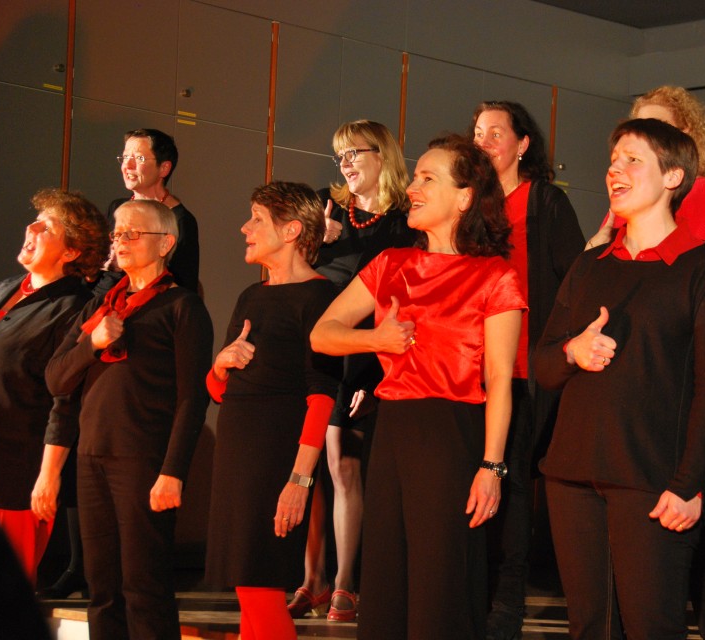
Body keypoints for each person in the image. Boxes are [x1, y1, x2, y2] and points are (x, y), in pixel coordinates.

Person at [311, 133, 525, 640]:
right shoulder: (391, 264)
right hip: (392, 429)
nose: (412, 188)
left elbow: (499, 379)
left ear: (465, 196)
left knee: (441, 578)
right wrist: (376, 339)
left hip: (453, 434)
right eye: (414, 178)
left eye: (428, 178)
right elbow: (322, 334)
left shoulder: (495, 277)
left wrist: (492, 467)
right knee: (386, 574)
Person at [533, 118, 705, 639]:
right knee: (589, 626)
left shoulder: (704, 269)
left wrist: (691, 484)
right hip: (572, 475)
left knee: (653, 626)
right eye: (613, 161)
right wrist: (573, 351)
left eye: (632, 160)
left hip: (652, 481)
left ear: (673, 176)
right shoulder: (589, 265)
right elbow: (543, 366)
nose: (615, 171)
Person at [39, 199, 213, 640]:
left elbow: (192, 399)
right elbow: (56, 378)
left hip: (144, 461)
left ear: (165, 243)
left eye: (132, 233)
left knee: (144, 587)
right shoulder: (102, 307)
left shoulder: (181, 306)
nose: (120, 241)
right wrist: (92, 344)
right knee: (102, 589)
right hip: (91, 458)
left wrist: (172, 472)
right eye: (117, 233)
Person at [288, 120, 415, 623]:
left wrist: (375, 375)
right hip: (316, 346)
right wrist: (315, 241)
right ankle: (311, 579)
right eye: (339, 155)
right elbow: (288, 266)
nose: (345, 164)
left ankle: (344, 583)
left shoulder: (405, 219)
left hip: (366, 353)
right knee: (308, 465)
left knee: (342, 464)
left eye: (354, 153)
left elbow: (406, 299)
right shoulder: (326, 206)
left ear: (382, 155)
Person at [205, 182, 342, 640]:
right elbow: (217, 390)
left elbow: (322, 395)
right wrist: (221, 365)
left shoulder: (320, 298)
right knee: (248, 586)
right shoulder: (251, 296)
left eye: (257, 219)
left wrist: (299, 481)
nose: (244, 228)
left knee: (259, 586)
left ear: (291, 230)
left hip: (275, 458)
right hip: (236, 455)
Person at [470, 100, 584, 640]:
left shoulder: (544, 201)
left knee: (512, 485)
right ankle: (473, 596)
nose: (484, 142)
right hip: (469, 369)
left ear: (523, 144)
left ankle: (506, 606)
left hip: (523, 369)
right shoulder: (467, 204)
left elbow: (575, 281)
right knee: (472, 483)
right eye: (478, 133)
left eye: (496, 132)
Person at [0, 189, 108, 587]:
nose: (31, 228)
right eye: (35, 221)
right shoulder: (7, 288)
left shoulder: (74, 308)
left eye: (47, 227)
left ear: (71, 252)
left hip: (12, 476)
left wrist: (49, 475)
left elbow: (65, 399)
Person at [585, 86, 705, 270]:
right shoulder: (627, 201)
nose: (643, 138)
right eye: (638, 128)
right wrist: (590, 254)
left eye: (657, 129)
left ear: (684, 136)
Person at [104, 128, 200, 293]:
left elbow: (184, 288)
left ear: (164, 168)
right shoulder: (117, 207)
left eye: (139, 158)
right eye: (125, 157)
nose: (128, 166)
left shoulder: (180, 220)